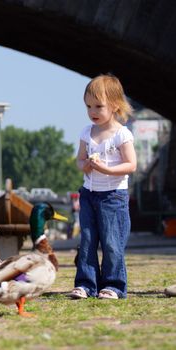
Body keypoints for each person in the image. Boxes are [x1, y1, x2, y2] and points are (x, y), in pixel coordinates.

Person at [68, 74, 137, 300]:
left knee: (112, 242)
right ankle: (86, 284)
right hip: (89, 194)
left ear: (115, 105)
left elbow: (131, 165)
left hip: (113, 196)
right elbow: (79, 160)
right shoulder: (87, 133)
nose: (92, 111)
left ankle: (114, 285)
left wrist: (106, 169)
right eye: (88, 106)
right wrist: (85, 165)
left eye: (98, 106)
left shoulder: (121, 134)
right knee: (87, 240)